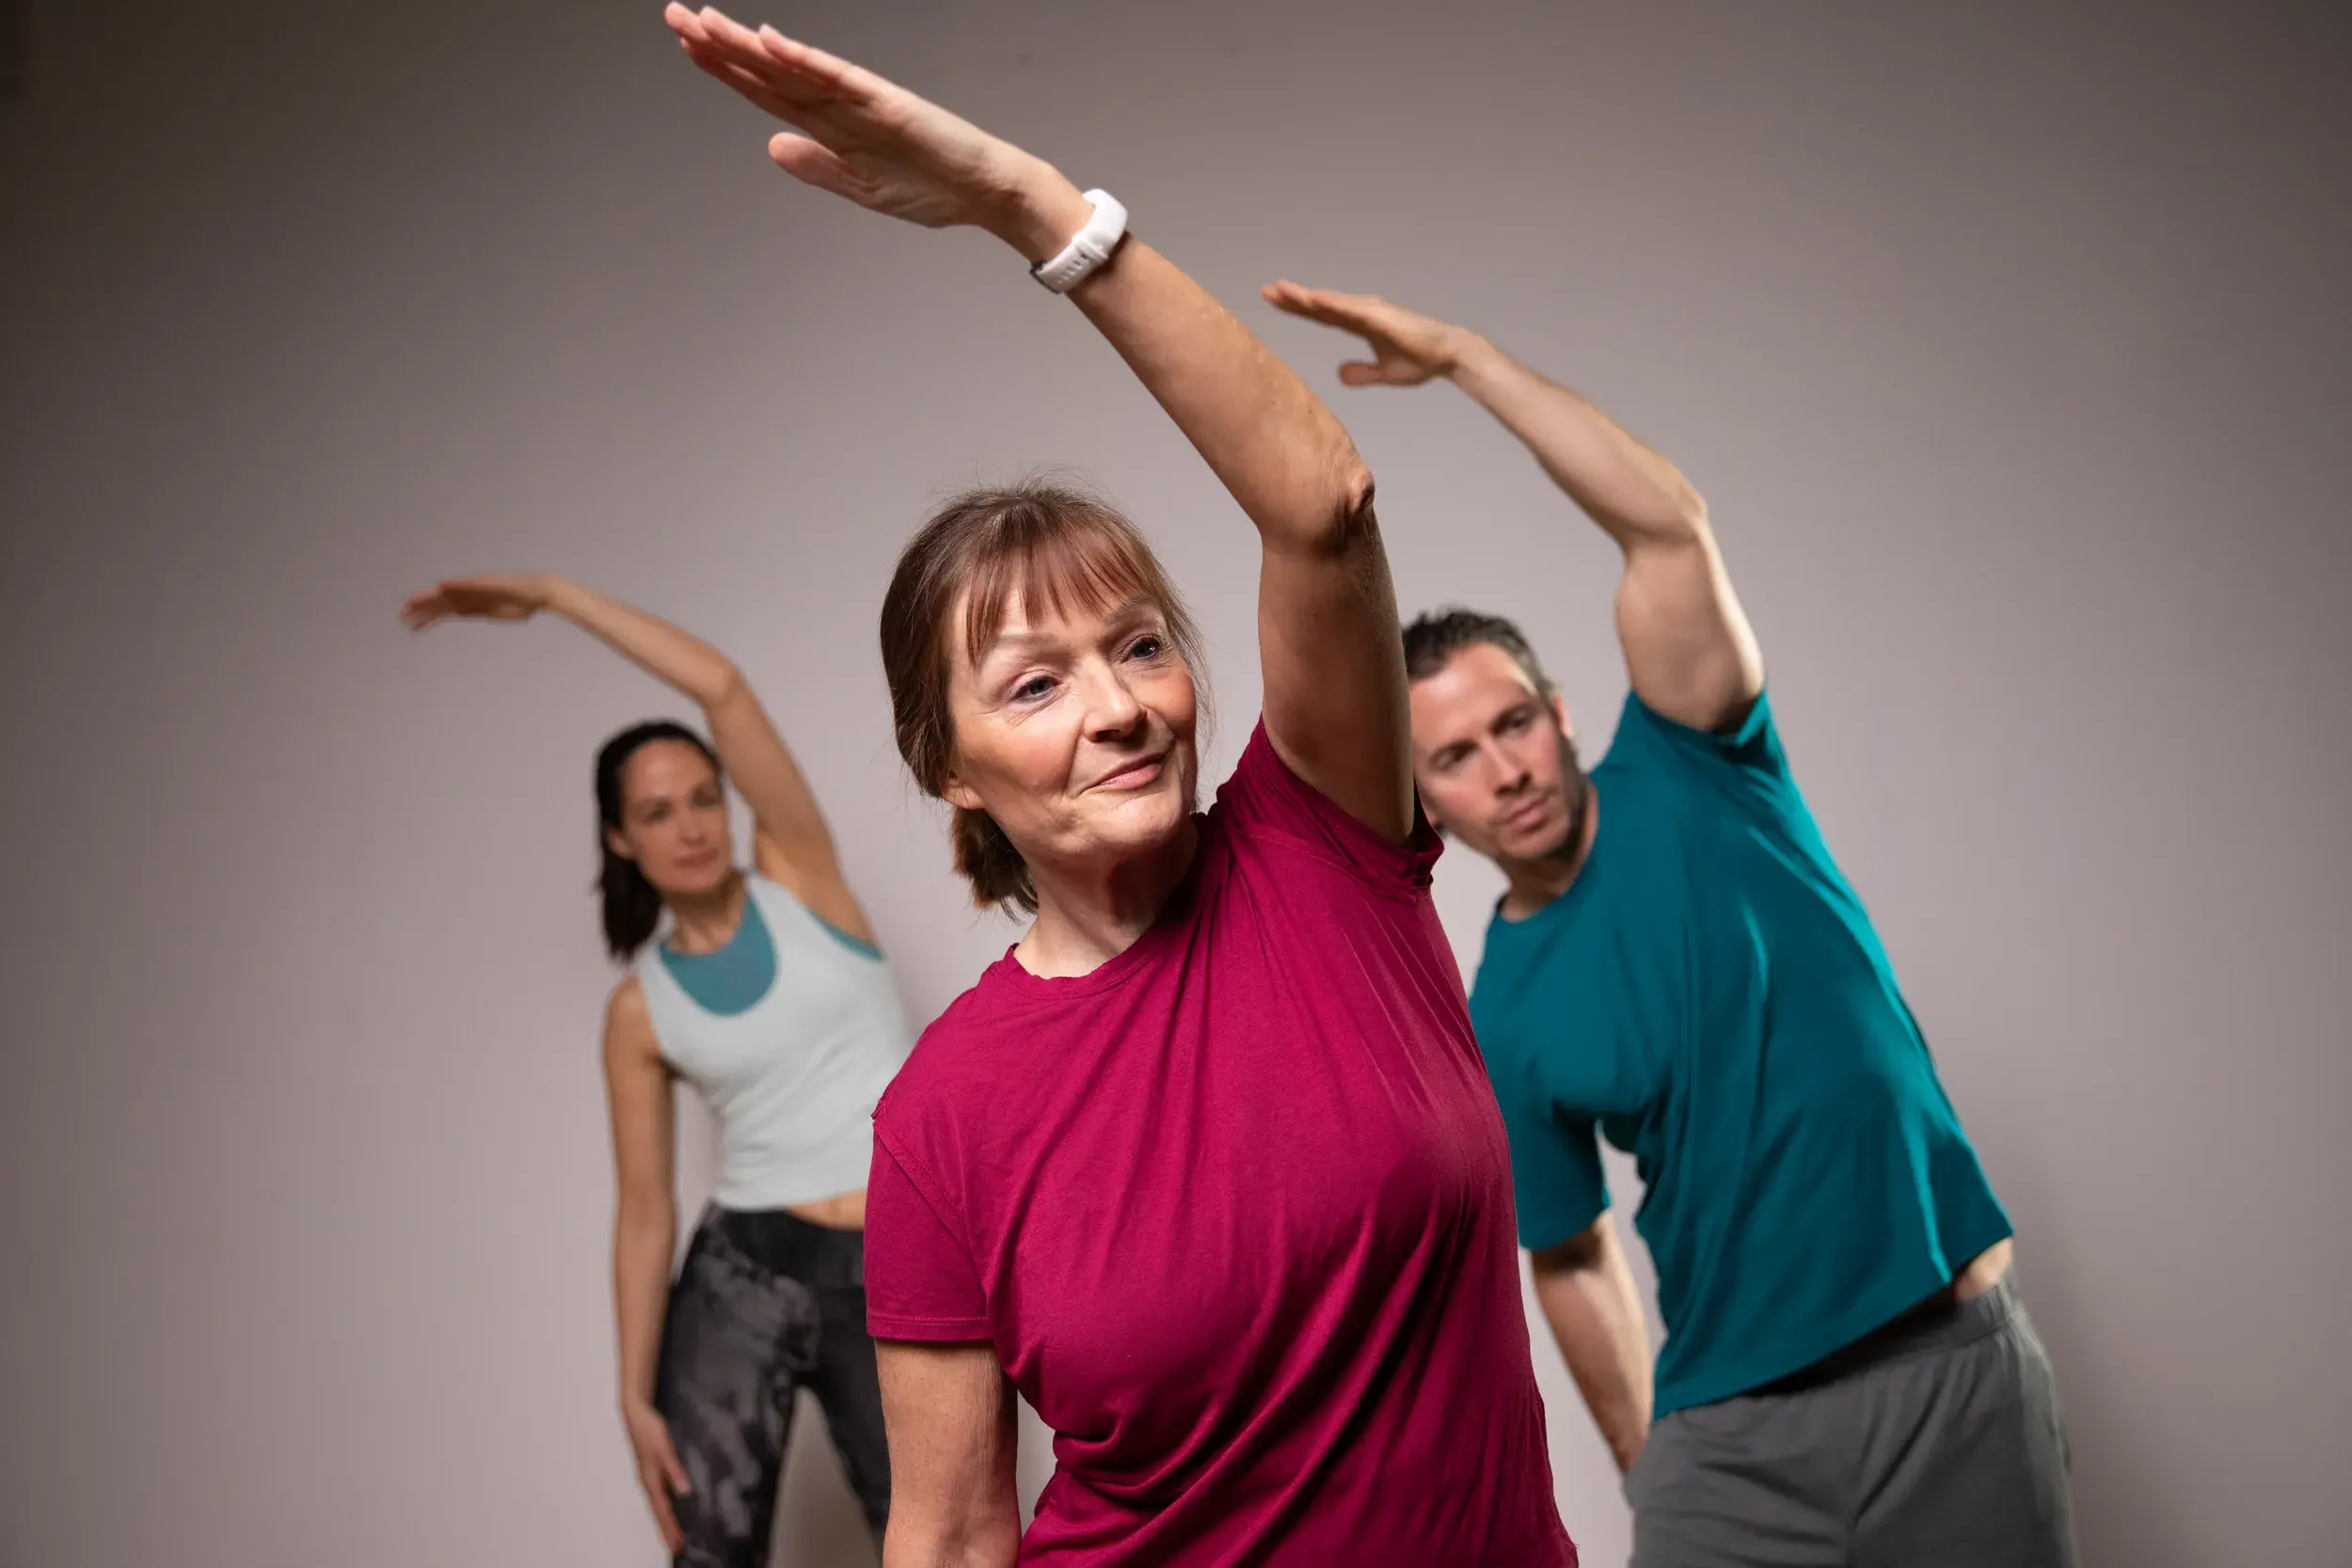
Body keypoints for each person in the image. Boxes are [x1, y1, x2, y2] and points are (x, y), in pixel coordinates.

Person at [661, 8, 1578, 1567]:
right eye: (1036, 683)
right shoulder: (945, 1118)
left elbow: (1326, 508)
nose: (1118, 708)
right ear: (949, 767)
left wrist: (1035, 210)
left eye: (1139, 645)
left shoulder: (1325, 851)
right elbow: (948, 1535)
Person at [1264, 282, 2077, 1568]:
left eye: (1515, 722)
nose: (1506, 768)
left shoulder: (1704, 765)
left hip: (1945, 1363)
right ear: (1431, 799)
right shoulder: (1504, 1014)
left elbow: (1666, 528)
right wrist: (1651, 1460)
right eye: (1460, 757)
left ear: (1565, 710)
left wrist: (1471, 358)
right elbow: (1570, 1249)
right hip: (1731, 1431)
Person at [402, 573, 908, 1566]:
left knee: (942, 1539)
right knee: (706, 1547)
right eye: (657, 811)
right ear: (620, 838)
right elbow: (643, 1210)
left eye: (701, 798)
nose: (690, 825)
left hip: (894, 1260)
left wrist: (552, 595)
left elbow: (722, 688)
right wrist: (631, 1392)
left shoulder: (802, 877)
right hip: (743, 1272)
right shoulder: (639, 1009)